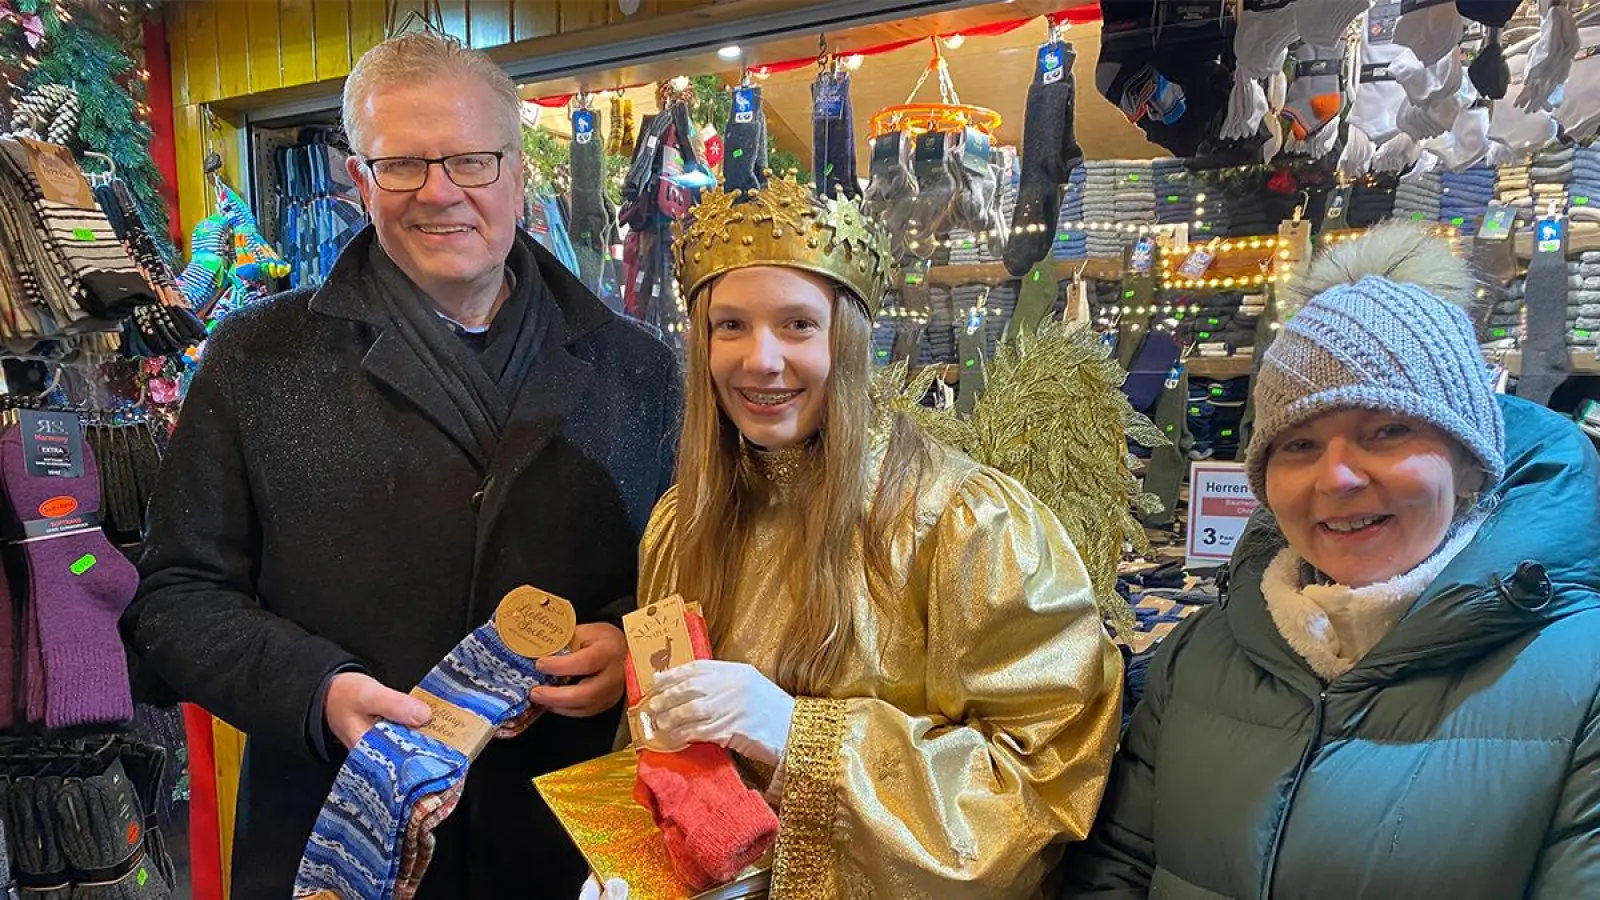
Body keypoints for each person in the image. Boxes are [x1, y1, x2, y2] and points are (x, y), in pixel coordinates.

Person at [122, 33, 681, 898]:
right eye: (403, 166)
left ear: (519, 169)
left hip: (570, 846)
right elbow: (176, 602)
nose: (441, 193)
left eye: (471, 159)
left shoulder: (638, 368)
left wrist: (628, 643)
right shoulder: (254, 359)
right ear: (358, 182)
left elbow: (693, 568)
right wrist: (322, 692)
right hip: (333, 834)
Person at [584, 175, 1123, 899]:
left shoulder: (967, 522)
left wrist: (796, 736)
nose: (761, 361)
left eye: (798, 325)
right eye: (731, 325)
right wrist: (632, 863)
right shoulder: (681, 524)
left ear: (849, 337)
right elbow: (662, 745)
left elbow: (1040, 787)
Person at [1059, 221, 1600, 898]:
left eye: (1388, 429)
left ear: (1469, 461)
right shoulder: (1201, 657)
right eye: (1299, 445)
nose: (1337, 478)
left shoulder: (1583, 684)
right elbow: (1118, 869)